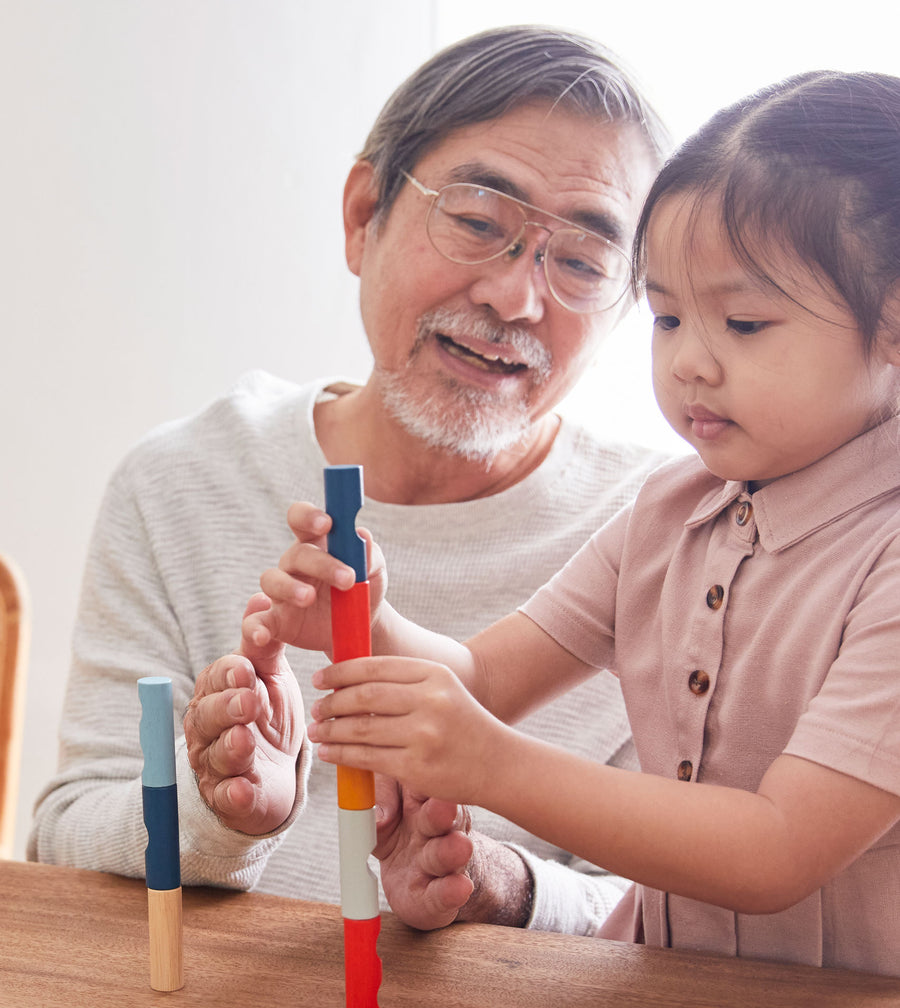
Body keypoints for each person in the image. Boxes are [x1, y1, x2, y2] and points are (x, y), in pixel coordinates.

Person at [253, 71, 900, 974]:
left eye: (745, 323)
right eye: (668, 317)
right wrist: (371, 625)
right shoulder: (672, 511)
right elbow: (483, 677)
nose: (689, 365)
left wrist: (493, 766)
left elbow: (777, 847)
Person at [29, 26, 672, 934]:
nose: (515, 299)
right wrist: (219, 812)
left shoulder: (674, 535)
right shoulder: (181, 482)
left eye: (580, 263)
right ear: (363, 214)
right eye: (480, 222)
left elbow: (686, 911)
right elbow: (61, 833)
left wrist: (496, 883)